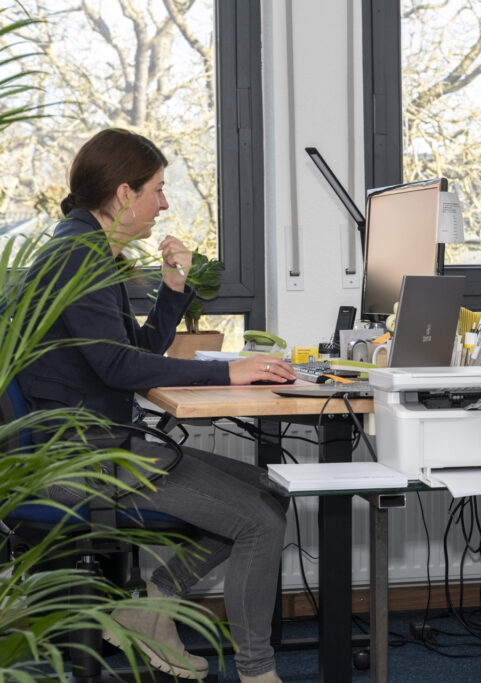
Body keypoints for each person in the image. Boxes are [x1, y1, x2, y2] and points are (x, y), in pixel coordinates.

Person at [18, 128, 296, 682]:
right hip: (79, 461)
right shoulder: (79, 258)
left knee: (270, 489)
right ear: (125, 193)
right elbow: (120, 369)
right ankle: (259, 672)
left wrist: (173, 289)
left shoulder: (86, 248)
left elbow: (134, 353)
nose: (164, 203)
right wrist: (229, 369)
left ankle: (154, 602)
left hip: (93, 447)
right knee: (260, 523)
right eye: (158, 189)